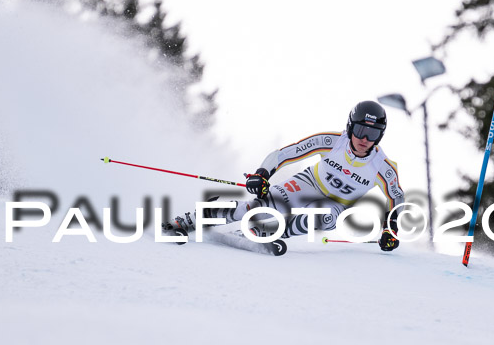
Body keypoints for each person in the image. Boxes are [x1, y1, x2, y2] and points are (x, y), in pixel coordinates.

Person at [164, 100, 404, 251]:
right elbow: (286, 154)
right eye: (361, 130)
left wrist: (389, 230)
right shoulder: (332, 142)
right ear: (350, 128)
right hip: (309, 183)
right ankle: (190, 220)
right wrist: (262, 174)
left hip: (337, 204)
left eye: (373, 134)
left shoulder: (383, 167)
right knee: (260, 207)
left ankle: (265, 231)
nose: (365, 139)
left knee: (326, 218)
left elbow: (396, 199)